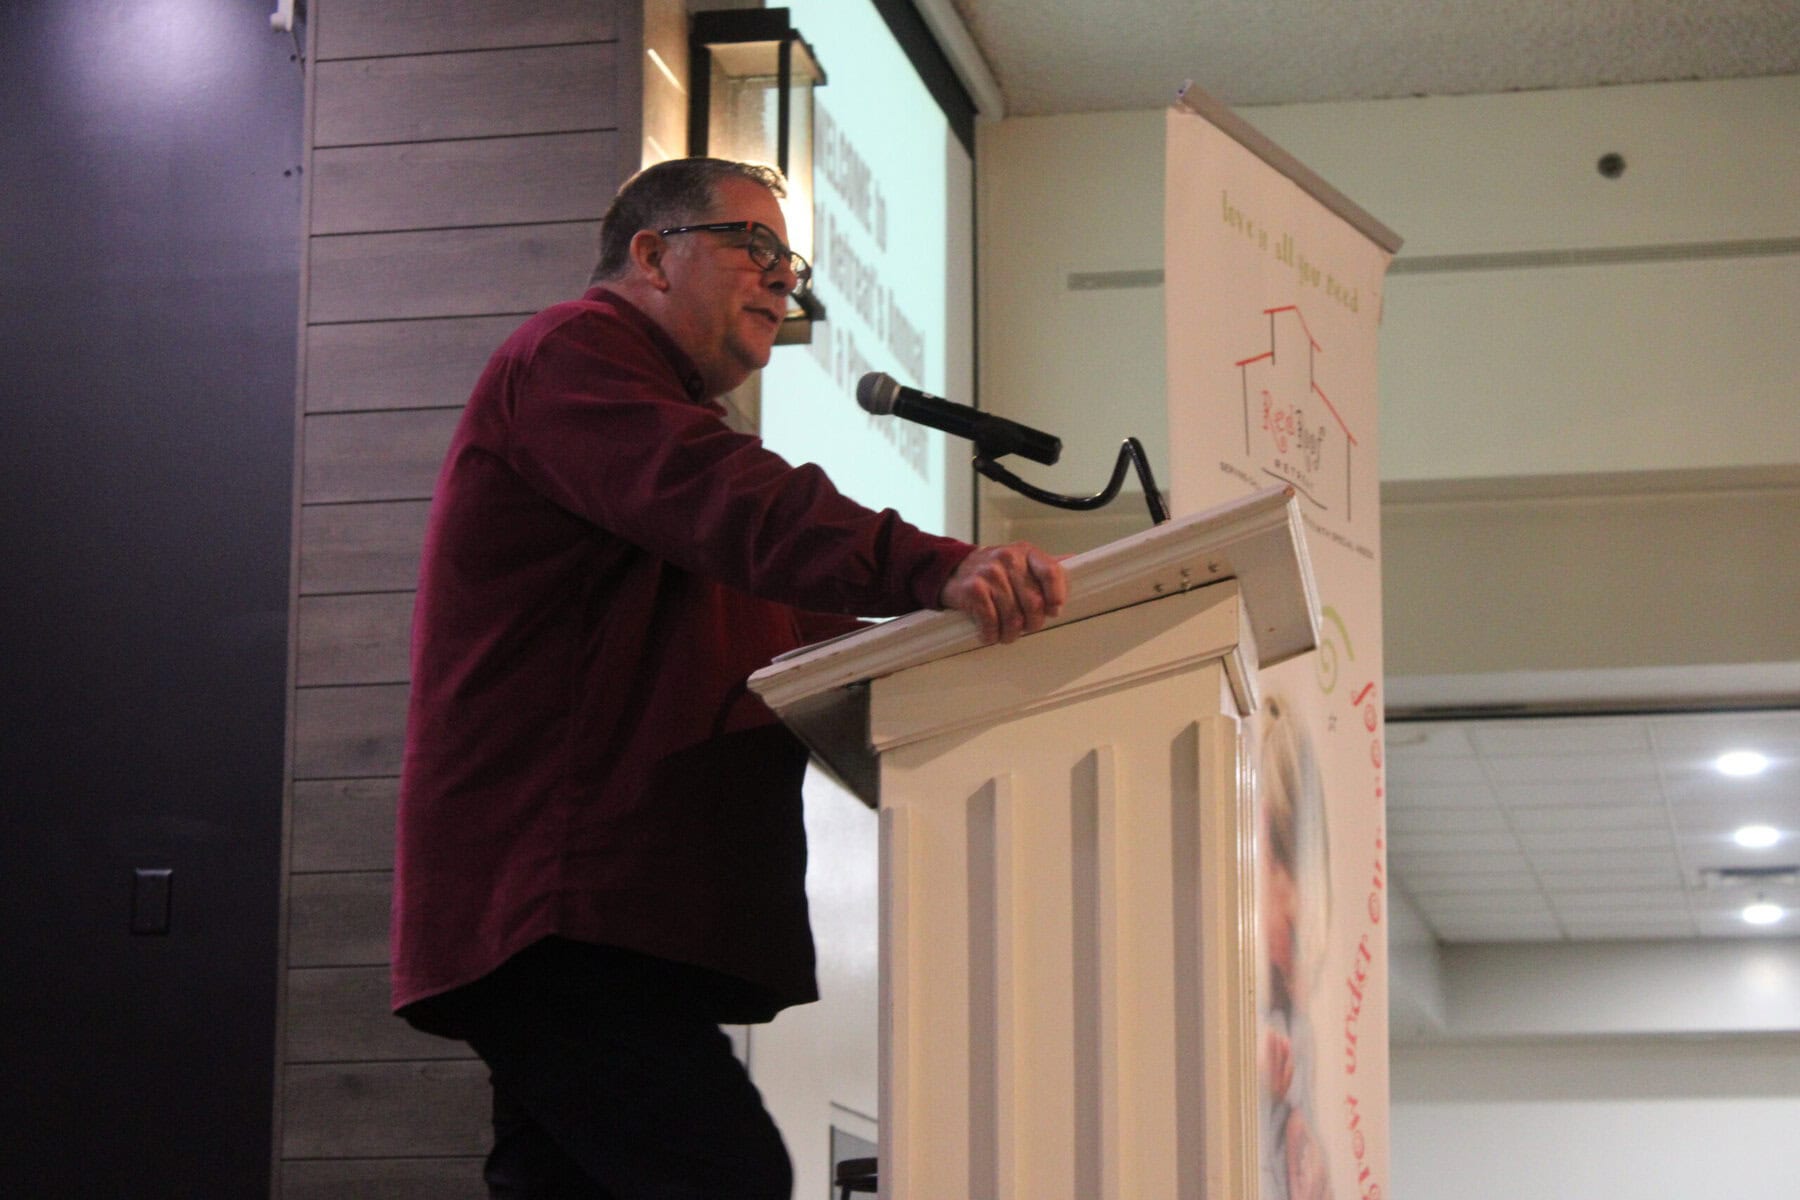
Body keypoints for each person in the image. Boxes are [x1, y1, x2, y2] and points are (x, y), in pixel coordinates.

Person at [389, 156, 1066, 1199]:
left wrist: (997, 687)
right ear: (653, 255)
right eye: (754, 246)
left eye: (789, 262)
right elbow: (734, 504)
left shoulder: (668, 441)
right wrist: (935, 565)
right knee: (726, 1178)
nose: (781, 279)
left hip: (598, 917)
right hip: (561, 902)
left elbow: (812, 640)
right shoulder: (573, 358)